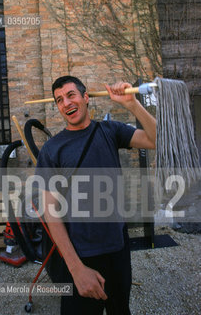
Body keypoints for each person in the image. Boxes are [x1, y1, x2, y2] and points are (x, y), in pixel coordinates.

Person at [36, 75, 156, 314]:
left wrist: (132, 105)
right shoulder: (52, 149)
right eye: (59, 100)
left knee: (120, 309)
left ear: (86, 97)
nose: (66, 103)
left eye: (71, 95)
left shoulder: (110, 131)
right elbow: (50, 214)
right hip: (81, 253)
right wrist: (76, 269)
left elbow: (156, 139)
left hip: (117, 249)